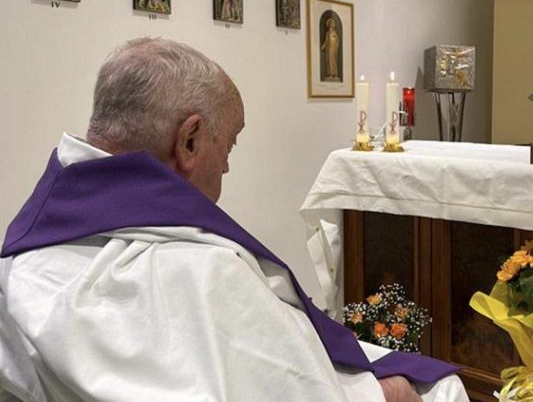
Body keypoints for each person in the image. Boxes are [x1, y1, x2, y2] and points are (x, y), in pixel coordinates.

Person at [0, 37, 466, 402]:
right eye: (231, 144)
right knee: (439, 390)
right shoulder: (204, 273)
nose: (226, 165)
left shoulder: (23, 253)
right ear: (189, 141)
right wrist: (382, 395)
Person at [321, 16, 341, 81]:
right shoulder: (327, 33)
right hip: (329, 48)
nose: (331, 25)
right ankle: (330, 74)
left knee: (333, 60)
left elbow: (338, 40)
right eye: (330, 24)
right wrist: (323, 46)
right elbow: (326, 41)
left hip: (334, 48)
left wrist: (336, 40)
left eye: (332, 24)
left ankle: (335, 74)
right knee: (329, 60)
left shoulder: (335, 33)